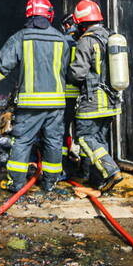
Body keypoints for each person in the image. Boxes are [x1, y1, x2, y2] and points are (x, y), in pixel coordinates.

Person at [0, 0, 69, 192]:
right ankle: (50, 182)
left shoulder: (21, 37)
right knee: (53, 143)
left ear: (29, 14)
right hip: (56, 104)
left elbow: (2, 67)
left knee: (22, 142)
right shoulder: (61, 39)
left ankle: (16, 184)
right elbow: (65, 69)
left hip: (30, 105)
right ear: (49, 14)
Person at [67, 0, 123, 192]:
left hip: (92, 101)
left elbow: (78, 74)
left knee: (84, 137)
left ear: (81, 22)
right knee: (99, 140)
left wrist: (65, 70)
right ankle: (98, 180)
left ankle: (111, 170)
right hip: (112, 101)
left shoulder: (87, 41)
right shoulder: (111, 36)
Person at [60, 13, 83, 180]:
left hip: (65, 93)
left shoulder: (63, 42)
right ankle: (82, 167)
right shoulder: (83, 40)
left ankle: (64, 165)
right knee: (80, 131)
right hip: (82, 94)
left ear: (67, 26)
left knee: (62, 129)